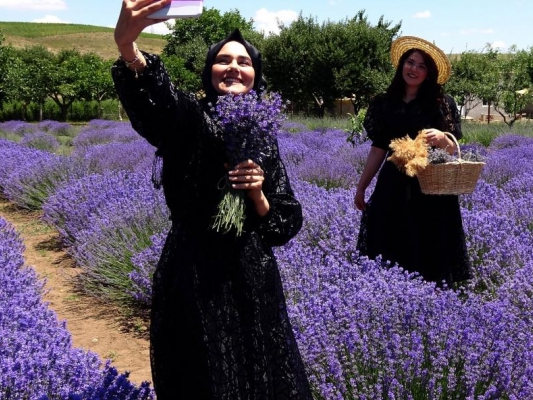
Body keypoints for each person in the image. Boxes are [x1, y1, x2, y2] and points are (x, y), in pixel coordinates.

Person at [111, 1, 313, 398]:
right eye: (223, 60)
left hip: (251, 272)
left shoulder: (262, 132)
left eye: (244, 61)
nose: (234, 67)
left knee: (259, 369)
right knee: (202, 369)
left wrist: (257, 193)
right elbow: (162, 104)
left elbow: (284, 220)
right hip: (194, 269)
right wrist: (128, 49)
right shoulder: (190, 117)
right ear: (209, 72)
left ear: (255, 75)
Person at [354, 36, 472, 287]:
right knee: (390, 238)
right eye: (410, 62)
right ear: (401, 66)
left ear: (429, 73)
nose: (414, 69)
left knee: (428, 240)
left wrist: (442, 139)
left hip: (429, 186)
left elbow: (453, 149)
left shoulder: (442, 103)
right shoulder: (383, 103)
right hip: (393, 184)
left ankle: (430, 300)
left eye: (421, 66)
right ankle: (389, 294)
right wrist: (362, 186)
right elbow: (377, 149)